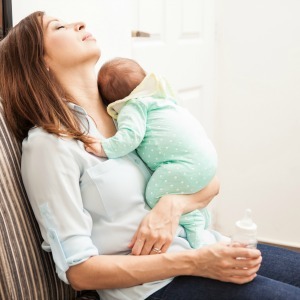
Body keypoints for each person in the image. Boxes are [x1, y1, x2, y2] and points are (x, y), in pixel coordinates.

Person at [0, 11, 299, 300]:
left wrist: (172, 204)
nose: (78, 23)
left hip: (204, 245)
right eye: (58, 27)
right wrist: (196, 263)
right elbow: (79, 271)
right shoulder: (49, 145)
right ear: (41, 62)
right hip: (153, 288)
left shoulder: (130, 110)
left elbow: (209, 180)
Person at [87, 57, 218, 249]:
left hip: (181, 166)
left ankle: (194, 223)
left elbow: (131, 136)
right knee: (182, 191)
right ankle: (203, 219)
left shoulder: (133, 106)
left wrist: (105, 148)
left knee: (155, 197)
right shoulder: (161, 100)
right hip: (206, 160)